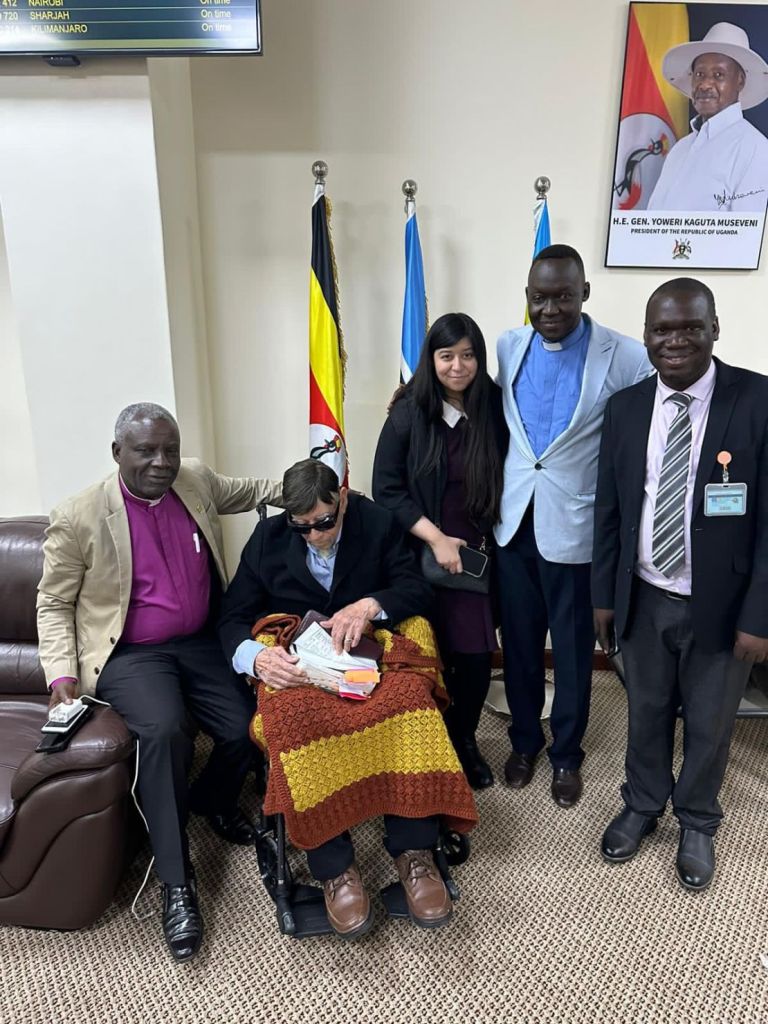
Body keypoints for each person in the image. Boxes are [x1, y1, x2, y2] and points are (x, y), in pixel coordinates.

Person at [38, 403, 283, 962]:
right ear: (117, 452)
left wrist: (313, 488)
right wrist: (61, 675)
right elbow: (53, 603)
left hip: (199, 642)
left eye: (169, 449)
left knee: (251, 722)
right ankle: (177, 882)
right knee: (166, 730)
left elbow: (251, 491)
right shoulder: (79, 515)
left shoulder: (194, 480)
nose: (162, 462)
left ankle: (211, 799)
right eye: (146, 451)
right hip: (131, 653)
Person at [219, 459, 477, 940]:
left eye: (324, 522)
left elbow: (415, 588)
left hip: (369, 650)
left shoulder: (376, 521)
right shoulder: (268, 539)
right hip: (301, 661)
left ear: (341, 499)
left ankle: (415, 851)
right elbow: (232, 616)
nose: (315, 535)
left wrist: (371, 604)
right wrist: (256, 657)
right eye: (302, 527)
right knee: (294, 721)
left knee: (411, 705)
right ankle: (335, 867)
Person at [593, 278, 768, 891]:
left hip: (724, 605)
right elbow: (610, 510)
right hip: (644, 596)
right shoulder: (625, 408)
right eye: (662, 329)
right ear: (646, 336)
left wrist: (760, 616)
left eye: (690, 327)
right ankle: (642, 804)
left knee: (709, 722)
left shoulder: (757, 400)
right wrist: (604, 597)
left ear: (714, 329)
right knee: (645, 711)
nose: (675, 341)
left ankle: (697, 819)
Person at [495, 244, 651, 807]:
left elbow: (658, 408)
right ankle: (523, 741)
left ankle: (566, 754)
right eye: (540, 298)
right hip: (514, 527)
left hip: (576, 529)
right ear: (528, 297)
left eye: (563, 296)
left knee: (572, 652)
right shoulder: (508, 345)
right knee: (518, 646)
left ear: (584, 292)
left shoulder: (625, 354)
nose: (551, 308)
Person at [372, 312, 508, 789]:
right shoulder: (408, 412)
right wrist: (436, 539)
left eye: (468, 355)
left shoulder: (494, 406)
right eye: (447, 355)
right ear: (431, 359)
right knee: (428, 654)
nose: (457, 366)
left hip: (476, 558)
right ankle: (428, 744)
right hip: (420, 553)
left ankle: (463, 739)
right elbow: (386, 489)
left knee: (474, 658)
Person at [647, 23, 768, 212]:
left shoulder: (756, 149)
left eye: (718, 75)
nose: (704, 84)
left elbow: (746, 228)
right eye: (699, 74)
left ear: (740, 81)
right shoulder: (680, 149)